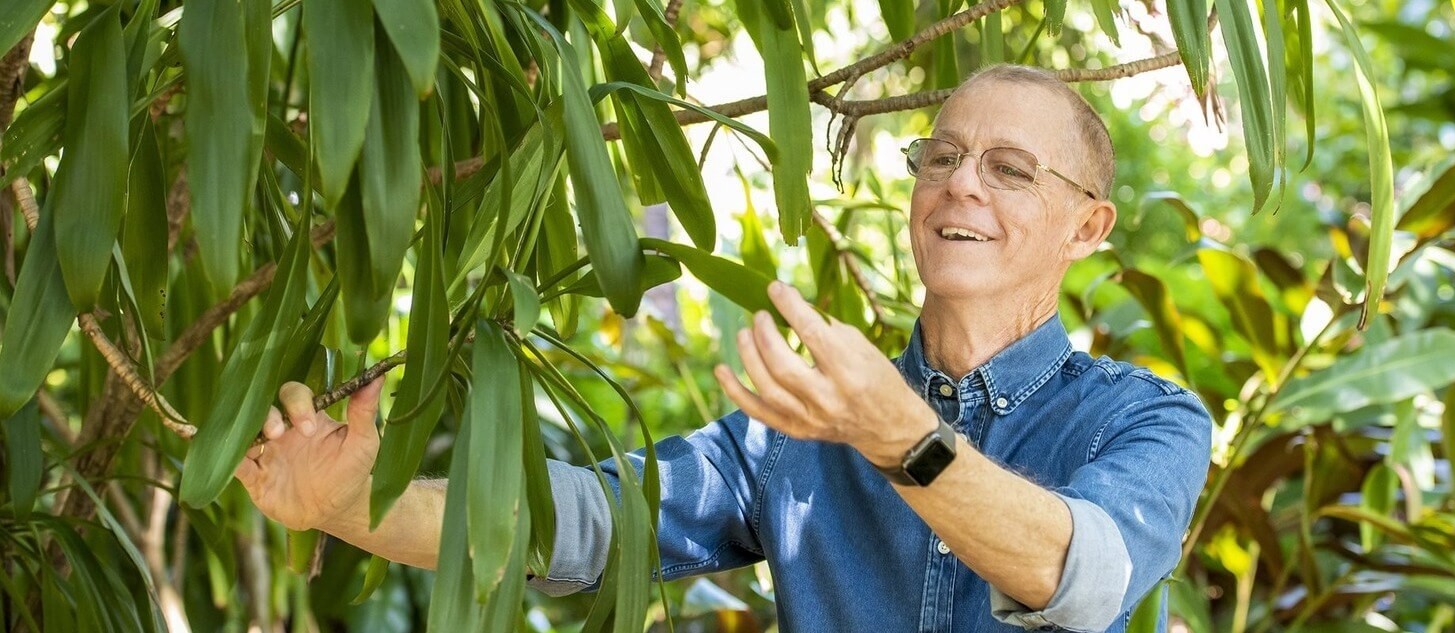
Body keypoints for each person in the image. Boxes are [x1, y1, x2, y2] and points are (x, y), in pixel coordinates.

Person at [235, 64, 1212, 632]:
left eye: (1010, 169)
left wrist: (900, 441)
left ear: (1088, 229)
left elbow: (1083, 582)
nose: (963, 185)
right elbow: (584, 523)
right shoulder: (802, 428)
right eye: (942, 156)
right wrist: (354, 504)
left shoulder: (1146, 420)